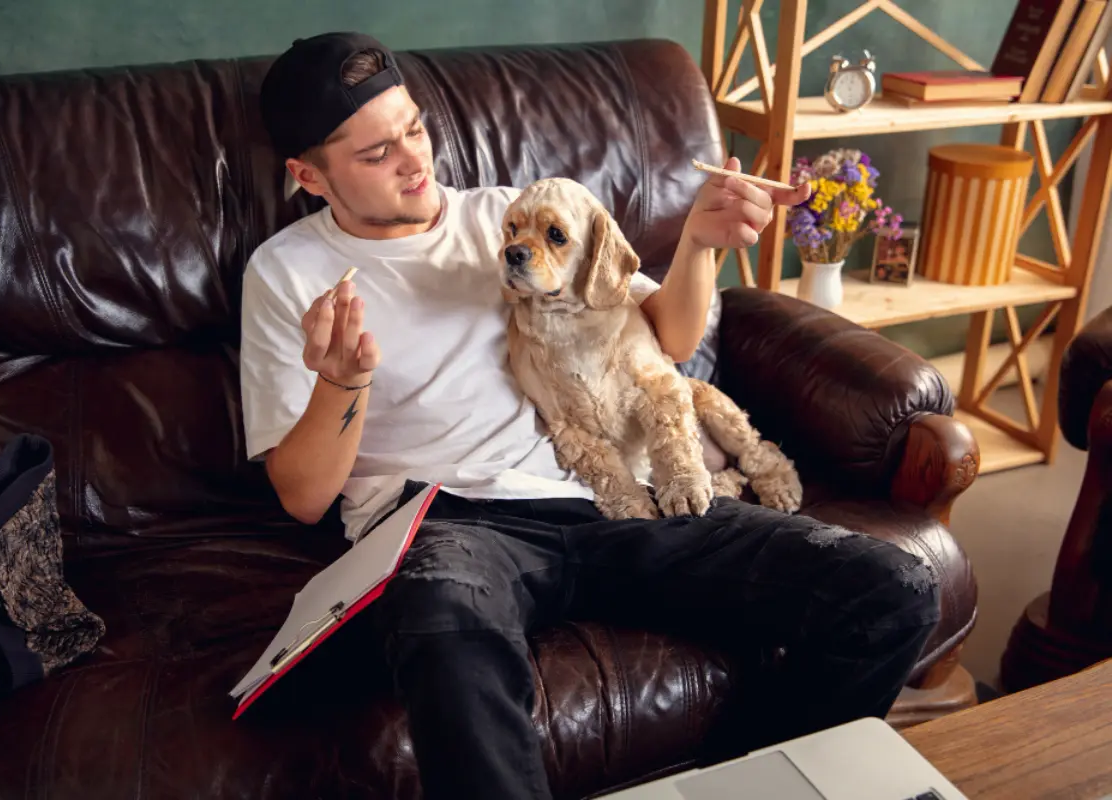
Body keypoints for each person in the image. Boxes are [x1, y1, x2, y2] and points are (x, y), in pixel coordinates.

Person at [240, 32, 941, 800]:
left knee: (892, 589)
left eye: (414, 128)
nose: (415, 160)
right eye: (375, 154)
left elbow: (665, 338)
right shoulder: (287, 273)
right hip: (447, 525)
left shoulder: (512, 216)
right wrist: (342, 385)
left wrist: (701, 243)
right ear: (309, 176)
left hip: (603, 492)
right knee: (441, 621)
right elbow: (303, 496)